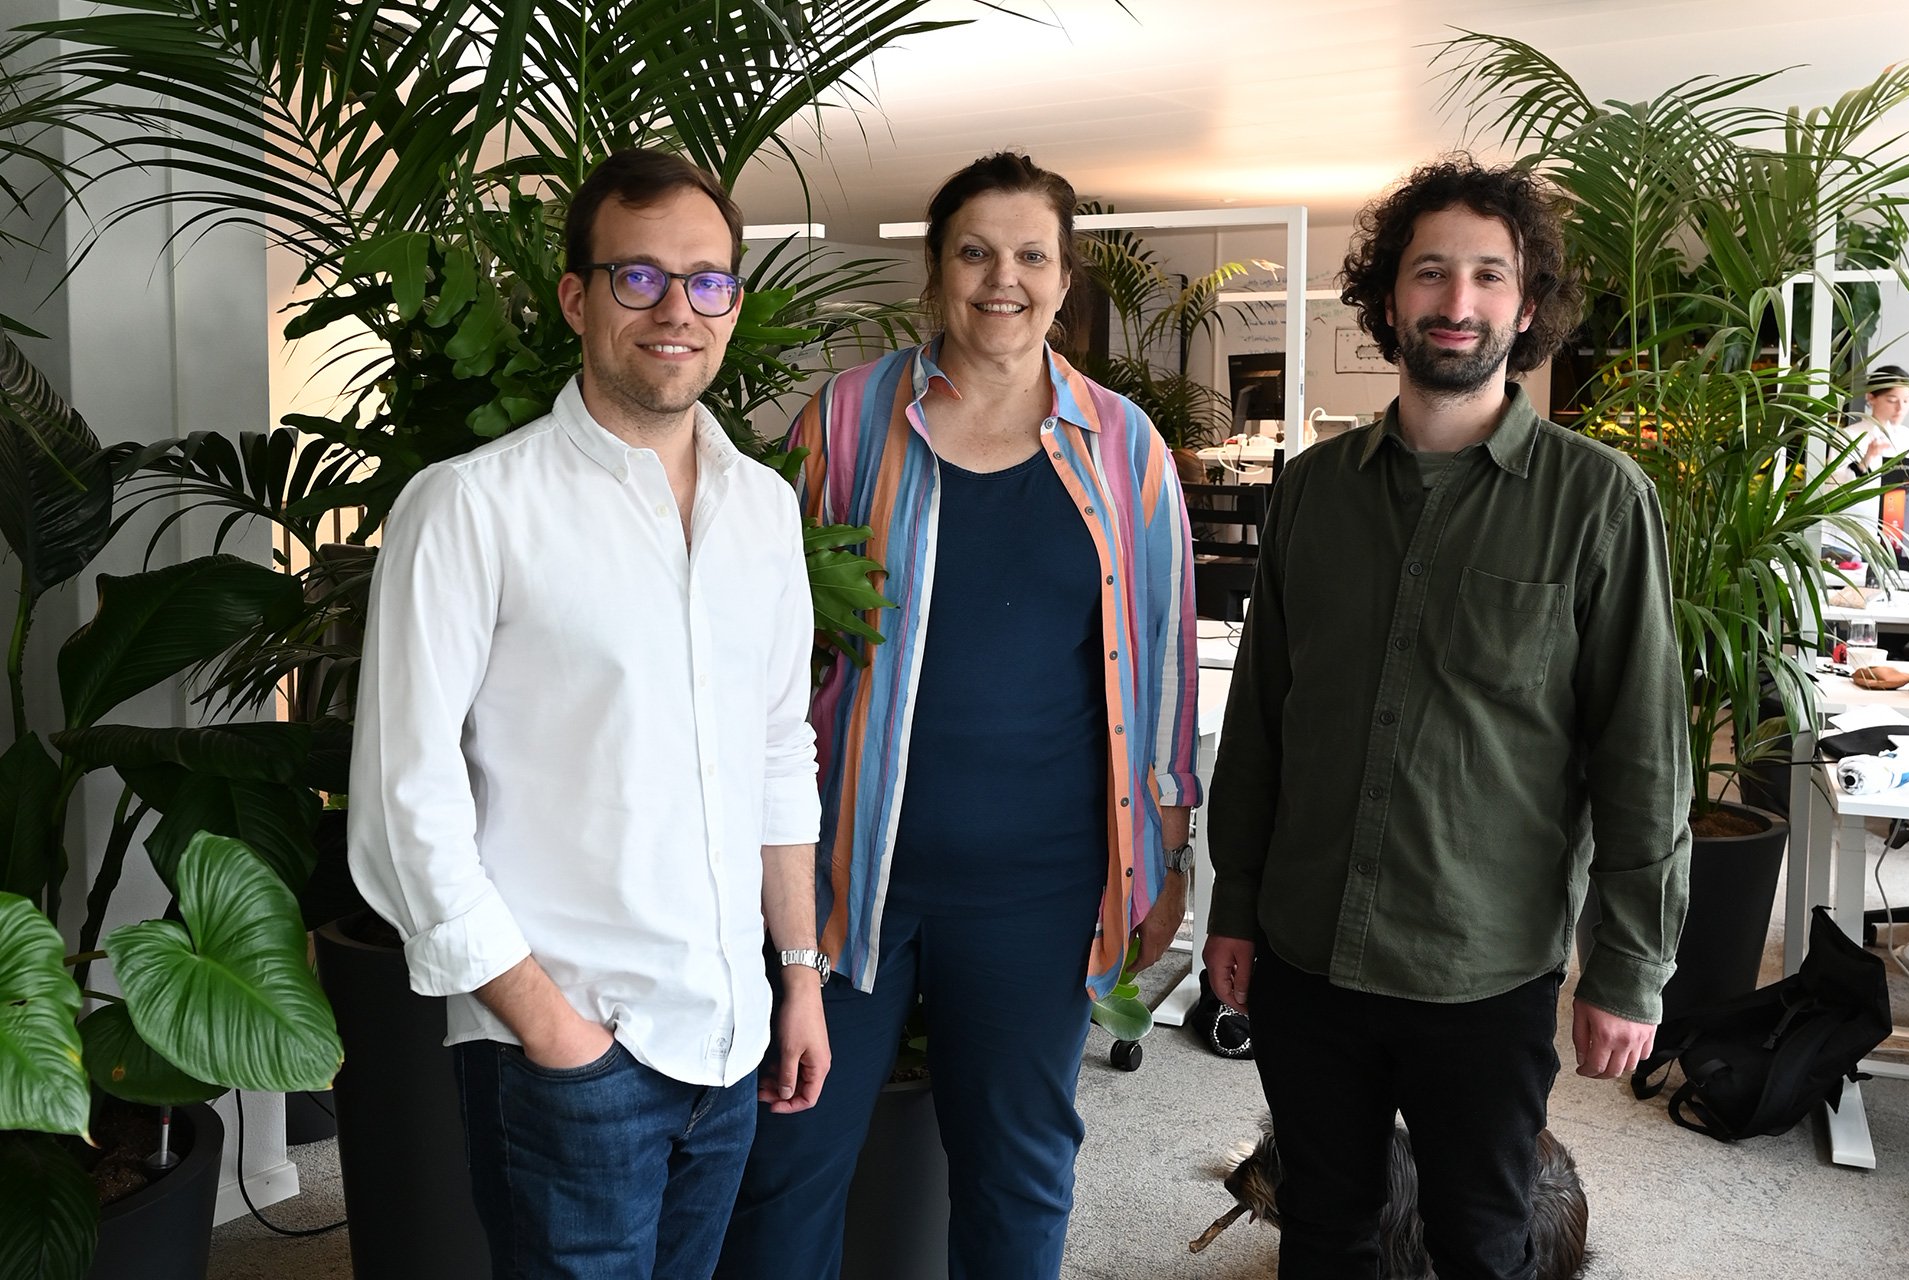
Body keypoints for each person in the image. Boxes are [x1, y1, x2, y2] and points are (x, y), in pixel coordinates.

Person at [1203, 156, 1691, 1280]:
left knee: (1480, 1241)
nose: (1456, 303)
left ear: (1526, 306)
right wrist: (1235, 901)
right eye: (1430, 273)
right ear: (1389, 298)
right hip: (1306, 952)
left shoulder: (1597, 499)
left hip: (1483, 968)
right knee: (1322, 1232)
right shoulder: (1315, 491)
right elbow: (1266, 717)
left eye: (1487, 275)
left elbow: (1642, 755)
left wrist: (1628, 967)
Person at [716, 151, 1202, 1280]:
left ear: (1065, 278)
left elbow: (1165, 666)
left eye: (1032, 254)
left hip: (1040, 881)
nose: (1003, 277)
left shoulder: (1127, 447)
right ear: (935, 271)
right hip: (846, 869)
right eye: (975, 251)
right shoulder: (843, 419)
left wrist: (1169, 848)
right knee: (789, 1153)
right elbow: (767, 635)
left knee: (1018, 1167)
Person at [348, 148, 830, 1280]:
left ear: (734, 305)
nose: (677, 309)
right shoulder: (473, 506)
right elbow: (400, 801)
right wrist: (552, 1028)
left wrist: (797, 973)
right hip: (566, 1047)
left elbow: (776, 750)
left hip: (730, 1035)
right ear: (576, 297)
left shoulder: (762, 510)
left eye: (707, 281)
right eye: (639, 277)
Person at [1842, 363, 1909, 543]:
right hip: (1852, 535)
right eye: (1892, 400)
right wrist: (1865, 461)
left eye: (1906, 401)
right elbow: (1834, 489)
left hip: (1896, 533)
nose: (1900, 408)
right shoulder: (1849, 436)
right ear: (1871, 397)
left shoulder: (1907, 437)